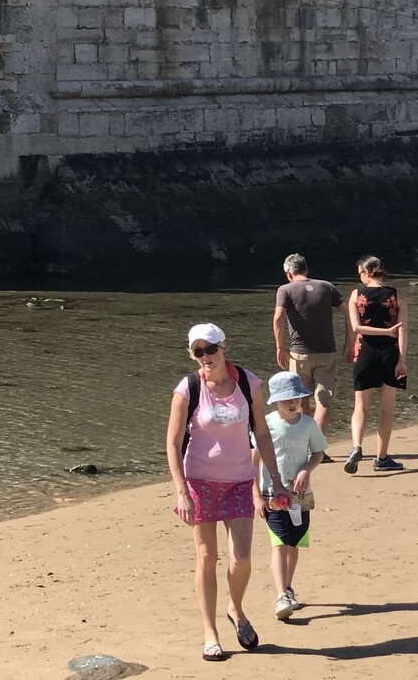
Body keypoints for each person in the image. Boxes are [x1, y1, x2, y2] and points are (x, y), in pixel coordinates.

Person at [164, 322, 286, 663]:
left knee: (242, 558)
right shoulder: (188, 389)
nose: (205, 356)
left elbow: (262, 433)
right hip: (199, 481)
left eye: (210, 349)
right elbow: (173, 443)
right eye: (197, 351)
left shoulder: (248, 383)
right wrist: (181, 492)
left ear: (223, 347)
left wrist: (276, 480)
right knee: (206, 557)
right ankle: (210, 633)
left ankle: (236, 608)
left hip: (240, 481)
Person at [254, 372, 326, 622]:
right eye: (286, 399)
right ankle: (281, 595)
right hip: (271, 493)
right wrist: (256, 496)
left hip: (300, 495)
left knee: (294, 543)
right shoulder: (265, 425)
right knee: (279, 542)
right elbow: (252, 461)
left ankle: (288, 587)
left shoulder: (309, 425)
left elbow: (318, 452)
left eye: (296, 397)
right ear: (276, 400)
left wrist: (307, 469)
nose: (292, 402)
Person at [343, 256, 408, 474]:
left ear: (367, 272)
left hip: (365, 353)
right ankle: (381, 458)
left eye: (360, 273)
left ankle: (356, 446)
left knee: (360, 406)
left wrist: (383, 332)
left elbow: (356, 328)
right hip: (390, 353)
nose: (359, 278)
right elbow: (402, 330)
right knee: (386, 410)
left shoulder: (356, 295)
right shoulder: (397, 295)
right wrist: (402, 360)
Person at [272, 253, 341, 434]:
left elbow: (278, 317)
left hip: (299, 354)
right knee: (323, 401)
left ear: (289, 273)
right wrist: (351, 341)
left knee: (301, 400)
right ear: (306, 269)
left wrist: (279, 347)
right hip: (327, 353)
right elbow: (349, 309)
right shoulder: (327, 286)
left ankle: (306, 442)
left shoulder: (285, 290)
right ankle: (317, 443)